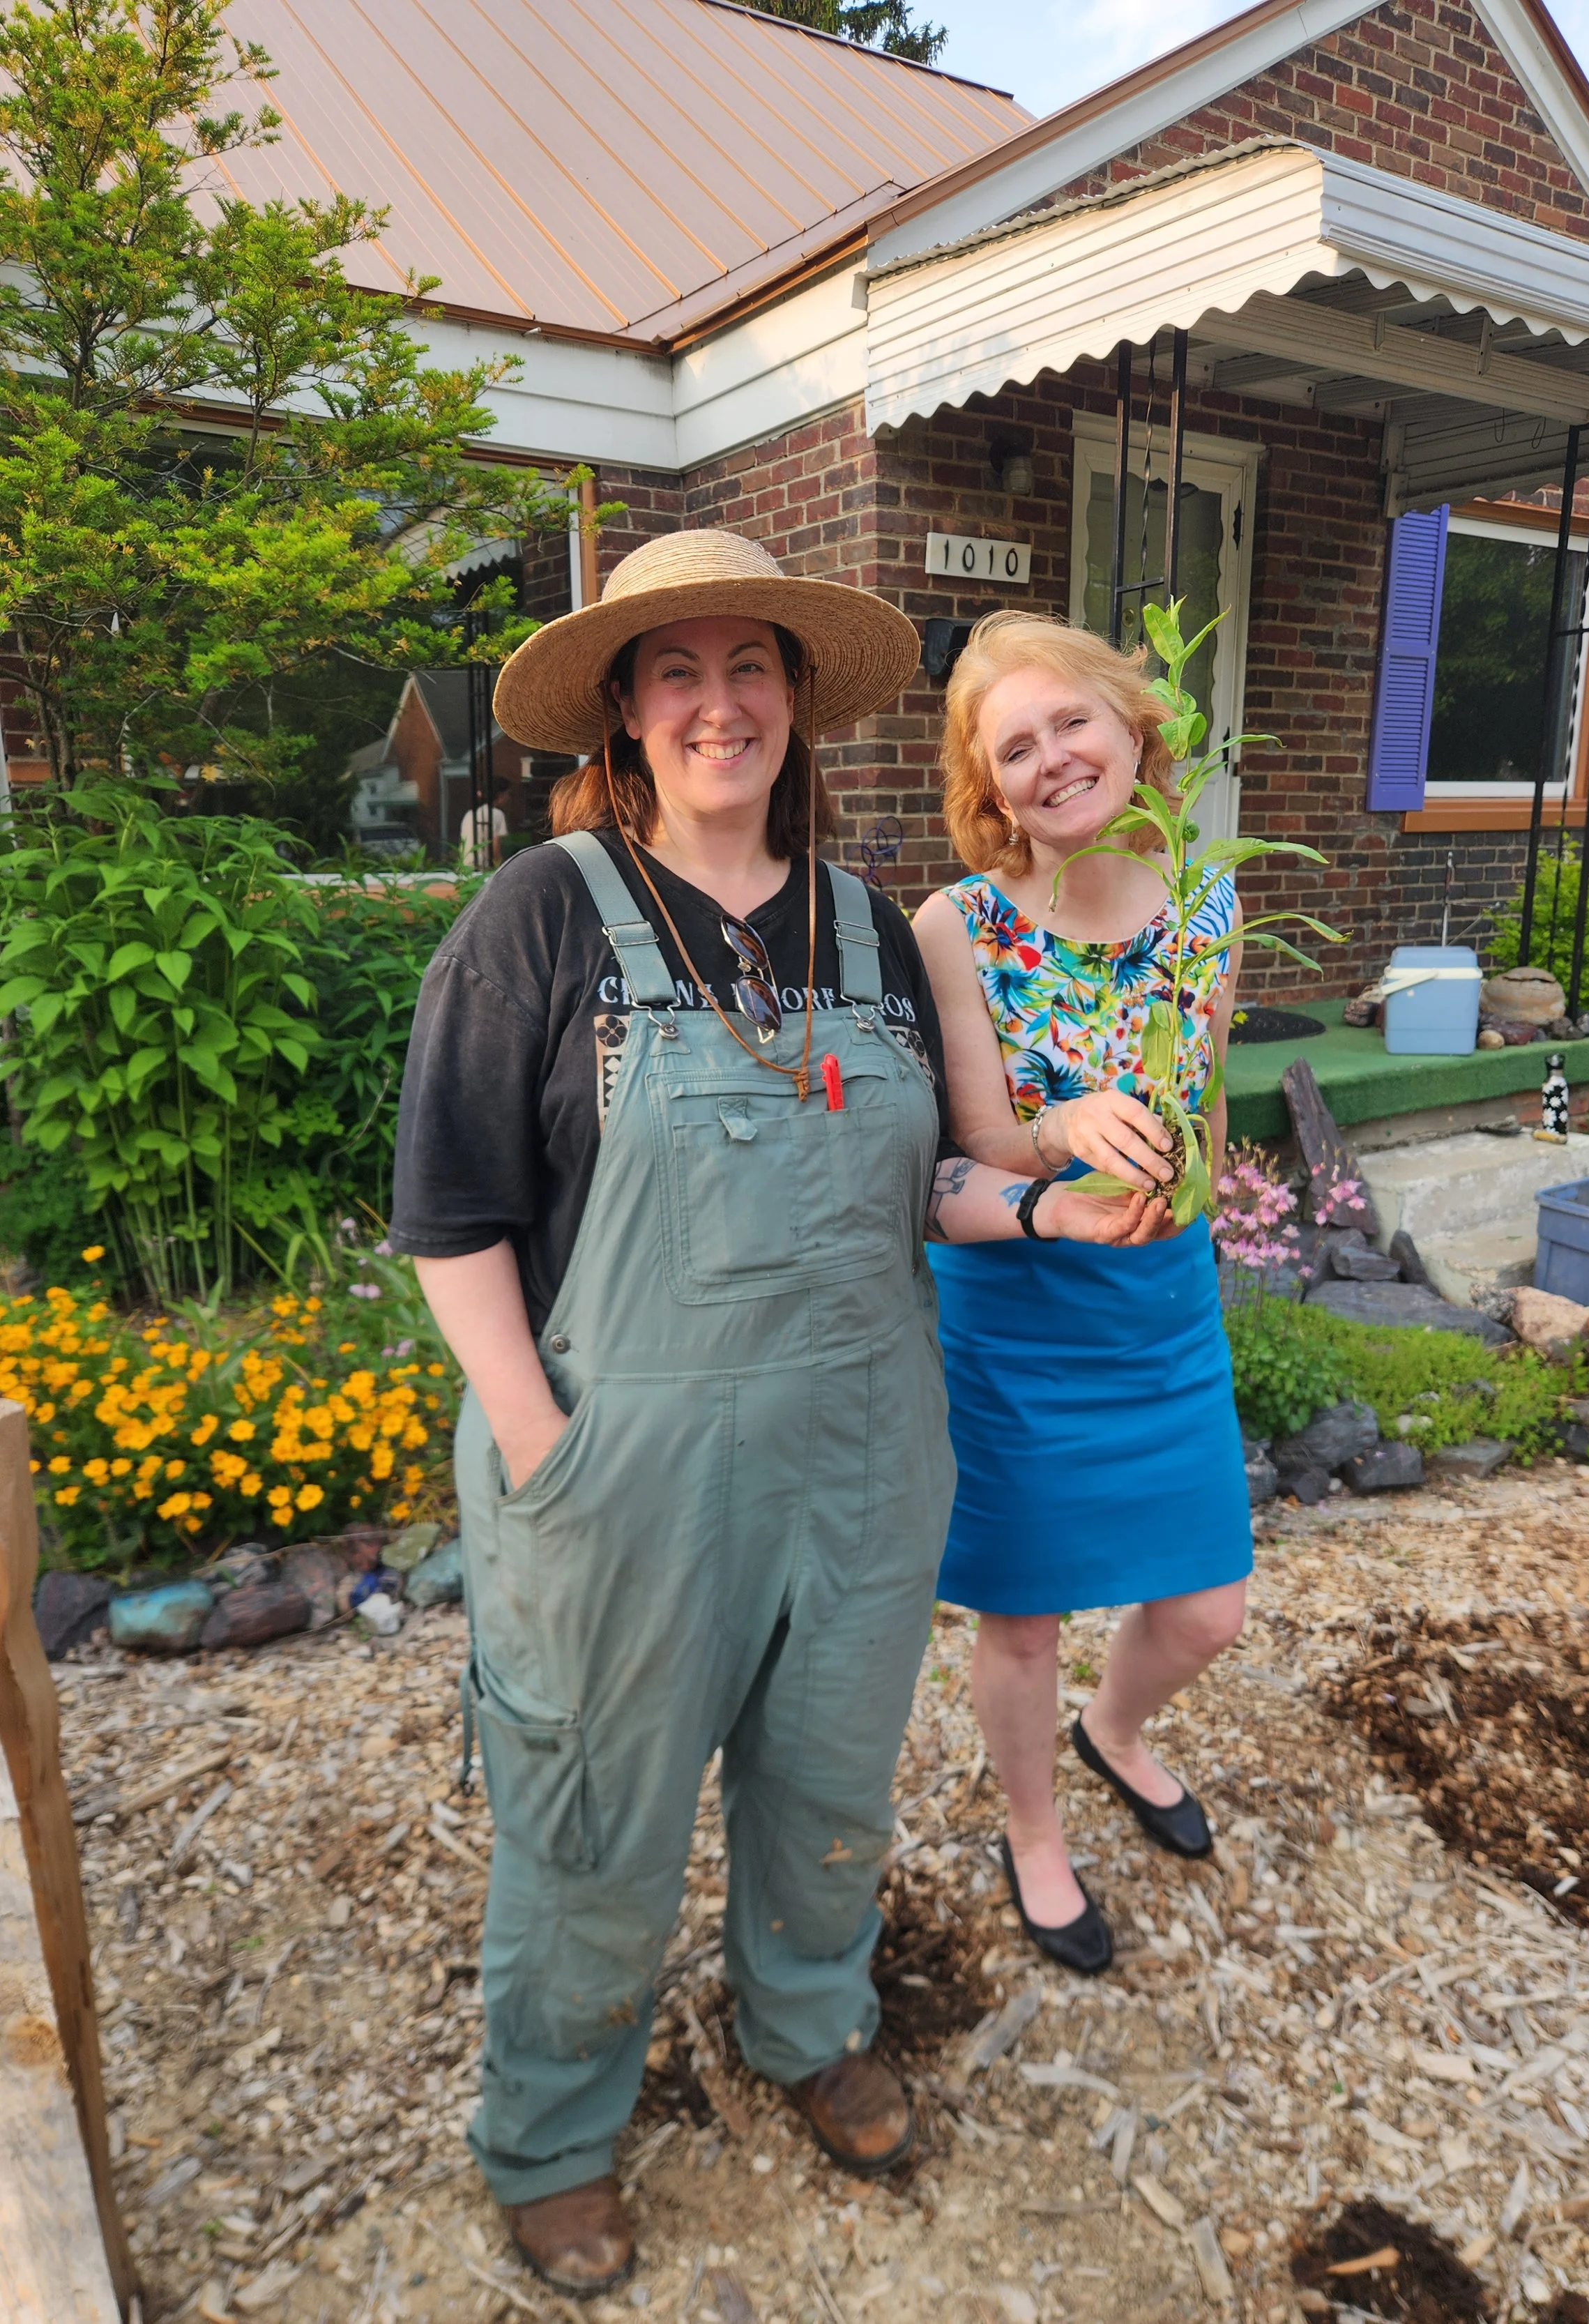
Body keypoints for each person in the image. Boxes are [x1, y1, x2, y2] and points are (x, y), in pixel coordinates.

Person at [389, 534, 1155, 2298]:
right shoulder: (538, 916)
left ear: (796, 704)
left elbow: (946, 1173)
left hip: (864, 1453)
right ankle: (556, 2132)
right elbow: (450, 1214)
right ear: (630, 717)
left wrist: (1049, 1195)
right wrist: (536, 1443)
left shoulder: (876, 927)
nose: (718, 701)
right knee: (596, 1813)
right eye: (679, 673)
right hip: (620, 1465)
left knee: (829, 1780)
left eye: (752, 668)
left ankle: (808, 2021)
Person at [913, 610, 1252, 1977]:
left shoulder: (1208, 904)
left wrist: (1183, 1181)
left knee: (1204, 1606)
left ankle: (1113, 1731)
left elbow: (1200, 1101)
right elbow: (972, 1140)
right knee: (1024, 1610)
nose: (1052, 758)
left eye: (1071, 722)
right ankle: (1032, 1828)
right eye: (1014, 746)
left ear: (1130, 724)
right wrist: (1064, 1131)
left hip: (1158, 1300)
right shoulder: (959, 924)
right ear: (986, 789)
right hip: (1017, 1309)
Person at [457, 776, 510, 872]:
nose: (508, 797)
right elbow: (496, 848)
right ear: (500, 795)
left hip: (465, 867)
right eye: (507, 794)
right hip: (483, 868)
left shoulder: (470, 814)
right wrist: (500, 869)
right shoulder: (497, 814)